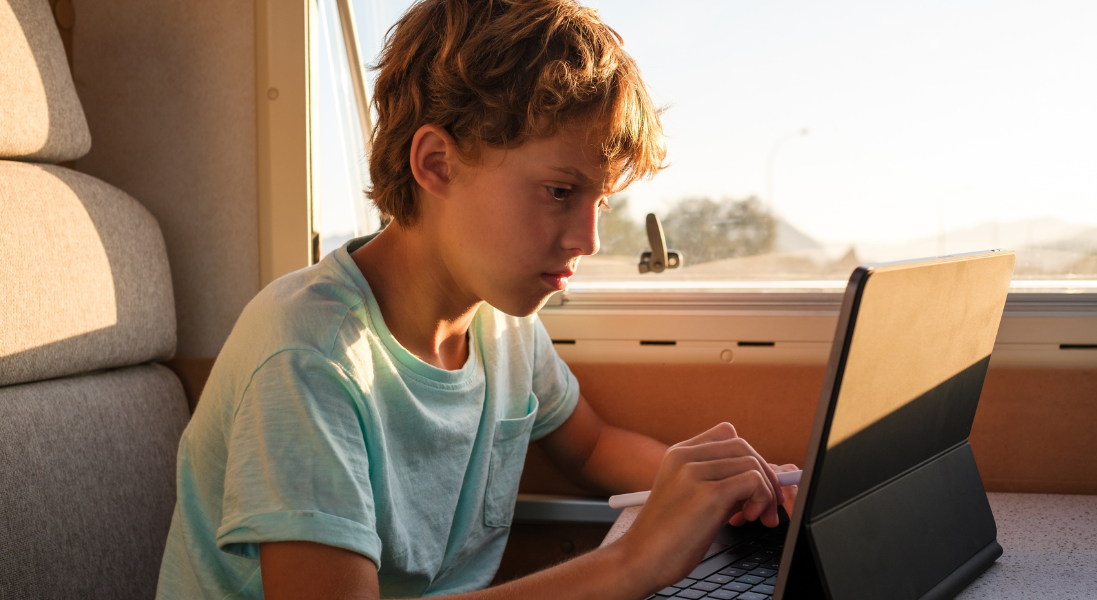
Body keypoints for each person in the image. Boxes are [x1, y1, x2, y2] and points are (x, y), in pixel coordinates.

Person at [156, 0, 797, 598]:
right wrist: (632, 562)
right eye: (559, 192)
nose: (590, 239)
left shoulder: (501, 325)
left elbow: (592, 445)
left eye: (600, 202)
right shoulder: (307, 358)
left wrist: (720, 489)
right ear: (437, 164)